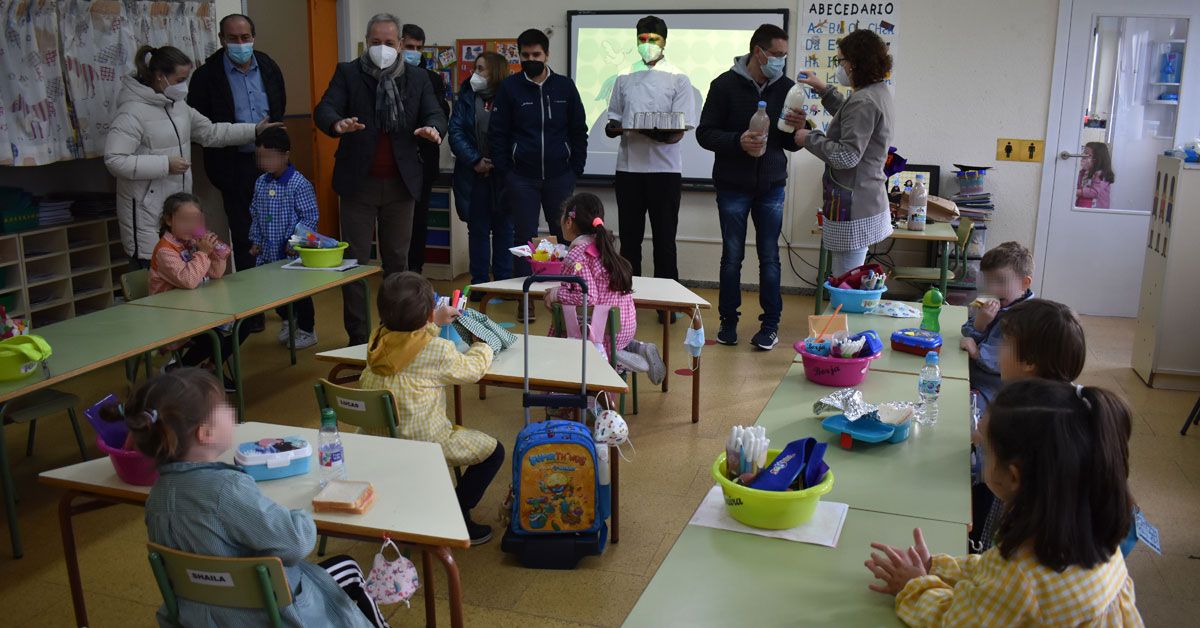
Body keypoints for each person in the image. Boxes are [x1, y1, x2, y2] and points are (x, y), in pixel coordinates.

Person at [107, 369, 386, 627]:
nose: (232, 412)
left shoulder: (156, 498)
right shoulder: (226, 490)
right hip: (268, 615)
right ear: (205, 433)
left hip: (203, 618)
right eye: (225, 408)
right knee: (348, 568)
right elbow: (298, 543)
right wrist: (301, 513)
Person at [865, 380, 1142, 626]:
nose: (979, 446)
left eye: (985, 445)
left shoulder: (1021, 581)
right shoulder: (1088, 529)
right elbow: (991, 571)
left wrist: (914, 585)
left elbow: (954, 621)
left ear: (1012, 476)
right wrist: (934, 566)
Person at [314, 13, 448, 345]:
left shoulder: (417, 78)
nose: (383, 49)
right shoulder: (348, 73)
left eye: (389, 43)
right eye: (376, 42)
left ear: (400, 44)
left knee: (397, 266)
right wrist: (337, 125)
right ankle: (358, 339)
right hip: (358, 184)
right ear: (366, 42)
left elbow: (435, 111)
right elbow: (325, 108)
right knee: (355, 265)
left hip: (401, 185)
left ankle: (396, 334)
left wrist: (433, 128)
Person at [358, 272, 504, 545]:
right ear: (426, 317)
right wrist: (483, 345)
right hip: (425, 442)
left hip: (375, 440)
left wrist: (433, 319)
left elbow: (408, 342)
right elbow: (472, 371)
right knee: (495, 452)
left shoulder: (376, 341)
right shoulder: (438, 351)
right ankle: (458, 514)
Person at [105, 45, 278, 268]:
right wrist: (165, 164)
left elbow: (210, 132)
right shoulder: (131, 112)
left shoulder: (178, 106)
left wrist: (253, 130)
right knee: (156, 279)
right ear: (160, 77)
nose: (183, 86)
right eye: (179, 79)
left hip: (179, 208)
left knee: (186, 275)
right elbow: (115, 160)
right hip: (147, 214)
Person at [696, 24, 806, 351]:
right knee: (732, 257)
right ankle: (728, 323)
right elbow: (704, 134)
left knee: (769, 257)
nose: (781, 61)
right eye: (777, 55)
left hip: (771, 185)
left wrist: (801, 129)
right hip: (732, 186)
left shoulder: (787, 88)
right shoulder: (724, 85)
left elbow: (790, 142)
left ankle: (770, 326)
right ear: (758, 52)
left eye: (784, 55)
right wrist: (736, 141)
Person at [968, 298, 1086, 552]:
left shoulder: (1016, 409)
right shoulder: (1077, 399)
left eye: (1005, 344)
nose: (998, 351)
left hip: (1016, 524)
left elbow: (994, 465)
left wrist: (982, 436)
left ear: (1029, 361)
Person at [188, 13, 286, 291]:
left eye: (245, 38)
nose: (240, 43)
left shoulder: (267, 66)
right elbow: (202, 128)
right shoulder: (206, 76)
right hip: (232, 166)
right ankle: (252, 306)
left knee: (277, 232)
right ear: (222, 39)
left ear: (253, 37)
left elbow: (279, 107)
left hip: (268, 161)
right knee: (244, 237)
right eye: (233, 38)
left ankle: (281, 301)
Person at [489, 28, 588, 294]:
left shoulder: (564, 86)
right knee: (524, 236)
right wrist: (506, 171)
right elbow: (498, 133)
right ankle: (526, 297)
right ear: (518, 56)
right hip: (521, 177)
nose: (531, 59)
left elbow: (579, 129)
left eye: (536, 54)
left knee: (565, 234)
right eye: (525, 55)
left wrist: (575, 168)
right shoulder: (510, 88)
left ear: (546, 54)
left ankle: (566, 292)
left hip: (560, 175)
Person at [795, 29, 896, 278]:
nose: (839, 66)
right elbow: (851, 117)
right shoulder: (877, 92)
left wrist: (809, 138)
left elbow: (846, 156)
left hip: (854, 204)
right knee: (852, 278)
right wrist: (823, 89)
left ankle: (846, 318)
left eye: (841, 60)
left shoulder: (864, 100)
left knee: (846, 283)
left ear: (854, 63)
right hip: (866, 197)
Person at [605, 15, 697, 283]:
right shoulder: (623, 76)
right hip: (628, 169)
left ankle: (666, 302)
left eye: (653, 39)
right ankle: (629, 295)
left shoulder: (679, 78)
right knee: (630, 240)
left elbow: (679, 130)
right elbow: (615, 116)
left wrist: (648, 131)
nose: (647, 44)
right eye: (642, 39)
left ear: (664, 42)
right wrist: (613, 128)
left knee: (665, 239)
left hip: (664, 170)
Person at [544, 193, 666, 384]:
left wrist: (555, 293)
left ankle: (616, 360)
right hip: (625, 325)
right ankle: (634, 348)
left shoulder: (576, 255)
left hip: (604, 331)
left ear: (569, 222)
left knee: (562, 330)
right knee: (593, 322)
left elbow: (587, 296)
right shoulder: (602, 245)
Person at [150, 193, 250, 387]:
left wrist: (216, 254)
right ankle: (174, 372)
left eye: (195, 220)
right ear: (169, 220)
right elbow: (188, 280)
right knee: (214, 339)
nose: (191, 225)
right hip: (171, 315)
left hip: (197, 308)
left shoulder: (190, 243)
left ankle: (210, 368)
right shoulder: (165, 250)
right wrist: (203, 253)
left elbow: (215, 274)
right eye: (185, 220)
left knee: (245, 322)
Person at [248, 127, 320, 350]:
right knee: (276, 291)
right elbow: (256, 213)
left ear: (285, 155)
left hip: (291, 253)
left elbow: (310, 217)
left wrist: (295, 243)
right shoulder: (261, 182)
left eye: (270, 157)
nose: (265, 162)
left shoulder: (299, 184)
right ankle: (289, 321)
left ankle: (307, 330)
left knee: (300, 294)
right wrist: (256, 240)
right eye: (261, 157)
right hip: (268, 253)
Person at [450, 51, 514, 288]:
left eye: (480, 69)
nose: (474, 74)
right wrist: (475, 160)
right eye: (475, 68)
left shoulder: (510, 97)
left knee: (504, 231)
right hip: (473, 175)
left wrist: (498, 161)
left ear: (495, 72)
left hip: (502, 176)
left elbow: (515, 135)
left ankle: (505, 283)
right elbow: (455, 133)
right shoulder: (467, 96)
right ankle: (479, 284)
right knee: (477, 231)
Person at [958, 241, 1036, 410]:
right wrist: (980, 323)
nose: (992, 288)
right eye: (988, 281)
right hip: (972, 373)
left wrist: (977, 353)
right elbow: (967, 331)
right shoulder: (998, 302)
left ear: (1025, 283)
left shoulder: (1027, 317)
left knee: (964, 411)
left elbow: (1010, 360)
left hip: (996, 388)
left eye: (1001, 281)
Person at [400, 24, 452, 274]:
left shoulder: (431, 79)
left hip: (422, 162)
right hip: (394, 163)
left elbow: (441, 115)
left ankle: (415, 270)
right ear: (399, 45)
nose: (414, 52)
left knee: (419, 221)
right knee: (396, 224)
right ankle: (397, 272)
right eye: (409, 47)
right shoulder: (386, 77)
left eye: (418, 48)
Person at [1076, 141, 1114, 209]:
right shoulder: (1083, 172)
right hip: (1082, 206)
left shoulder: (1101, 174)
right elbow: (1078, 185)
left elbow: (1095, 192)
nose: (1083, 156)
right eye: (1084, 153)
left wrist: (1077, 192)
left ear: (1098, 158)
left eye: (1087, 155)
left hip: (1096, 210)